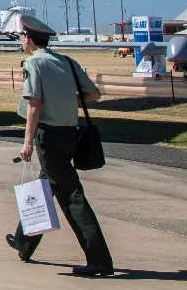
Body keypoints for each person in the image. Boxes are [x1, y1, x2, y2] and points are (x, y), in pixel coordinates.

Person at [6, 16, 114, 276]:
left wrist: (28, 142)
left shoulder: (33, 63)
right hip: (69, 134)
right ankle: (24, 241)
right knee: (46, 186)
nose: (22, 40)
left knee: (72, 196)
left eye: (22, 36)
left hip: (49, 136)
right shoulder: (66, 61)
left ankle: (99, 258)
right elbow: (93, 94)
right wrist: (66, 97)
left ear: (28, 39)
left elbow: (34, 105)